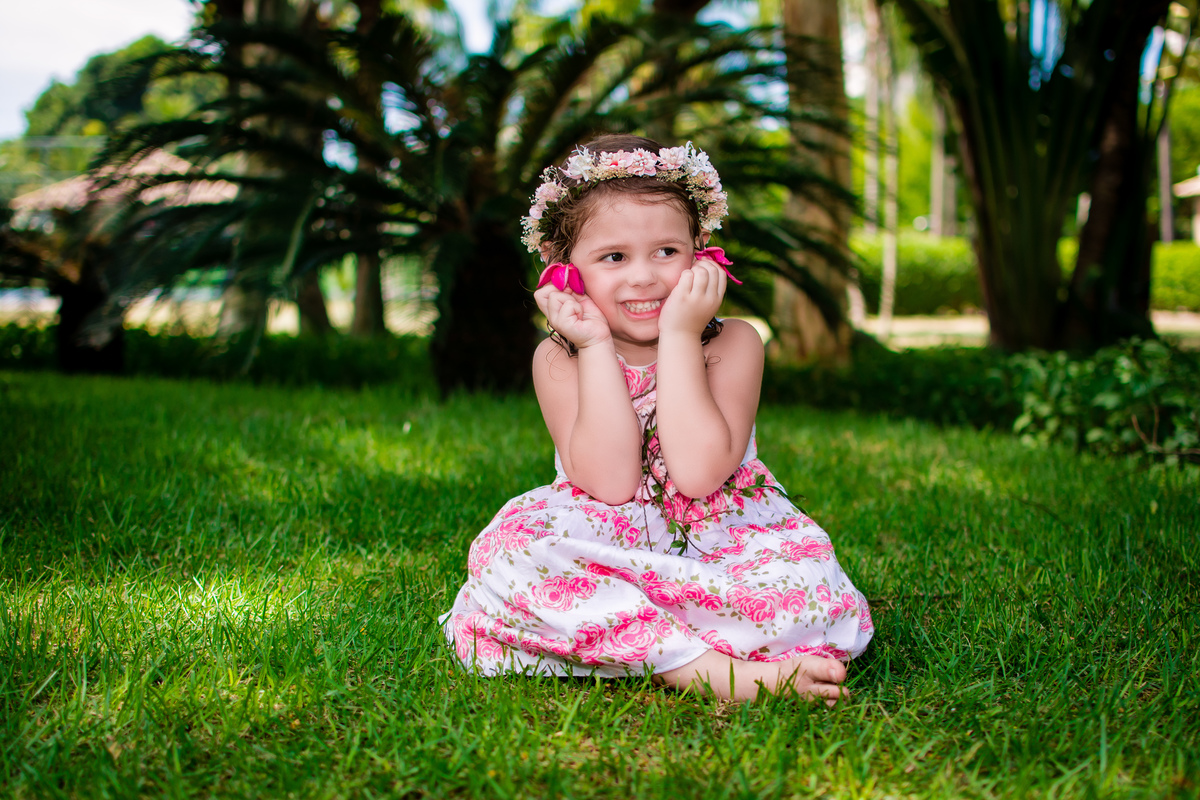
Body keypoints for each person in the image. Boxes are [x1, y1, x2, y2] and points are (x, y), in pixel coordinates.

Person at [441, 134, 873, 704]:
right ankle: (703, 669)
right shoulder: (559, 356)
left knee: (809, 596)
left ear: (700, 251)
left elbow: (697, 476)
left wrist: (680, 334)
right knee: (510, 555)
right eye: (613, 257)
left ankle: (619, 643)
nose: (643, 276)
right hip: (598, 539)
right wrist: (594, 345)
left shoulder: (735, 342)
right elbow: (611, 484)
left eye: (666, 252)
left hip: (723, 542)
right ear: (566, 270)